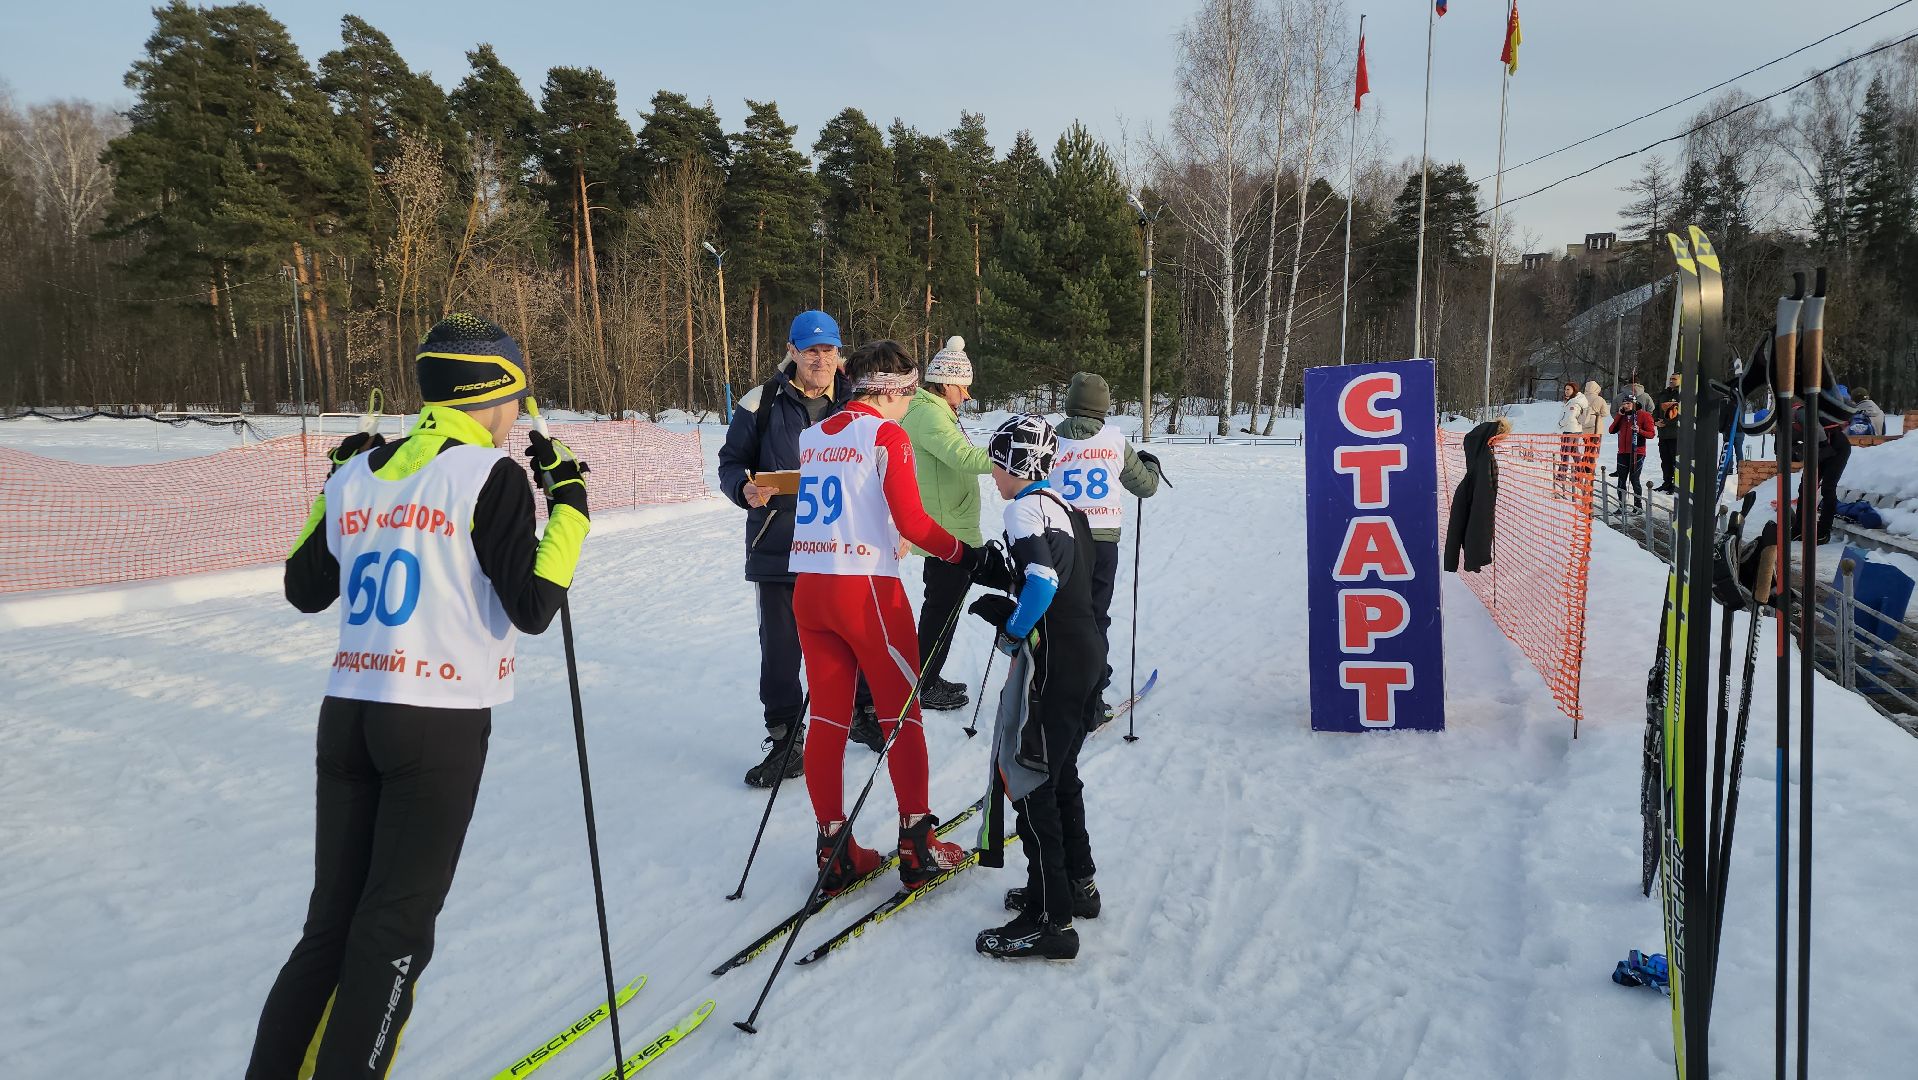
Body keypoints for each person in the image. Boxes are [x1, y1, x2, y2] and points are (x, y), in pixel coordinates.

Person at [248, 314, 591, 1078]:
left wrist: (334, 487)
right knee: (393, 933)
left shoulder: (362, 469)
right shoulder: (487, 475)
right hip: (433, 726)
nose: (516, 419)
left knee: (330, 928)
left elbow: (305, 588)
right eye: (516, 399)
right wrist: (569, 506)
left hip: (348, 719)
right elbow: (534, 606)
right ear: (492, 395)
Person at [790, 339, 986, 893]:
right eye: (908, 392)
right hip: (866, 593)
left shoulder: (813, 436)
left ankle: (834, 846)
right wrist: (966, 554)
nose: (910, 403)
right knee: (904, 714)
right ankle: (917, 845)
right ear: (893, 390)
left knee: (828, 719)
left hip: (811, 590)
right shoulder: (887, 433)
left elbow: (854, 505)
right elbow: (916, 522)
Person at [717, 311, 883, 789]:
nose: (821, 359)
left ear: (839, 353)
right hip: (779, 543)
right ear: (791, 351)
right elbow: (732, 464)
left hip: (842, 545)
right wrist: (743, 490)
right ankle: (787, 738)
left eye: (828, 350)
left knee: (855, 633)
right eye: (811, 350)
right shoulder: (760, 401)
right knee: (782, 647)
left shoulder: (855, 400)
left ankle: (863, 711)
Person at [968, 414, 1107, 961]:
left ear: (1017, 464)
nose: (994, 476)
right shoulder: (1069, 510)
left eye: (998, 464)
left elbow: (1045, 581)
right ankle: (1077, 884)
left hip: (1054, 661)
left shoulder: (1022, 507)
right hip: (1086, 652)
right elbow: (1076, 580)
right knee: (1061, 770)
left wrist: (1012, 629)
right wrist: (1006, 580)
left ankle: (1051, 921)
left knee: (1030, 776)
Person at [1050, 371, 1162, 722]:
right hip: (1101, 543)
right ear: (1103, 408)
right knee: (1095, 617)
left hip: (1059, 544)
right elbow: (1145, 487)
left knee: (1060, 615)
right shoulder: (1115, 441)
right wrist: (1152, 465)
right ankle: (1092, 699)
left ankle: (1055, 683)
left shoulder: (1052, 439)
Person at [900, 335, 993, 711]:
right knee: (941, 610)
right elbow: (965, 459)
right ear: (947, 382)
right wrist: (1016, 454)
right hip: (946, 532)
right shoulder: (929, 415)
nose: (968, 395)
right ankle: (924, 683)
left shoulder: (936, 411)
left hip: (952, 525)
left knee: (943, 608)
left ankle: (928, 676)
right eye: (964, 386)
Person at [1609, 396, 1655, 512]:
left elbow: (1651, 434)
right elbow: (1611, 430)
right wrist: (1619, 415)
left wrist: (1639, 430)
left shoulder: (1644, 415)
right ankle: (1622, 505)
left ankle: (1638, 506)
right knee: (1621, 479)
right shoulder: (1622, 416)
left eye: (1628, 403)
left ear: (1635, 403)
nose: (1626, 406)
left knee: (1634, 479)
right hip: (1622, 452)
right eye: (1624, 403)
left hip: (1637, 452)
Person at [1556, 381, 1593, 492]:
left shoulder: (1574, 402)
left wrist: (1560, 423)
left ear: (1574, 390)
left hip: (1570, 430)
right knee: (1573, 452)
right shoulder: (1575, 400)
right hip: (1575, 430)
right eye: (1565, 389)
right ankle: (1579, 472)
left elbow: (1570, 417)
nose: (1566, 391)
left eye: (1568, 389)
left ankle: (1562, 474)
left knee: (1565, 452)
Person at [1653, 374, 1681, 493]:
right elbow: (1655, 410)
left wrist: (1666, 422)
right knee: (1665, 460)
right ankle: (1667, 482)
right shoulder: (1663, 394)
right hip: (1663, 434)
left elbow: (1681, 414)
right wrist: (1655, 421)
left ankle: (1676, 484)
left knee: (1676, 461)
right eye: (1670, 379)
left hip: (1676, 434)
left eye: (1674, 379)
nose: (1671, 381)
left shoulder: (1683, 395)